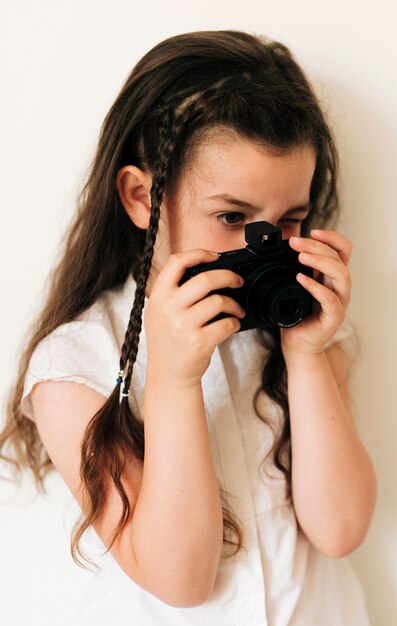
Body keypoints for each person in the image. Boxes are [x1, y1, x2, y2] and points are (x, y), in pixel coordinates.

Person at [0, 30, 377, 625]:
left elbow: (340, 530)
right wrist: (174, 380)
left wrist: (307, 356)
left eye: (291, 219)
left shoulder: (304, 332)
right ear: (142, 197)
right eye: (232, 216)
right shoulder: (76, 366)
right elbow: (180, 579)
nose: (264, 245)